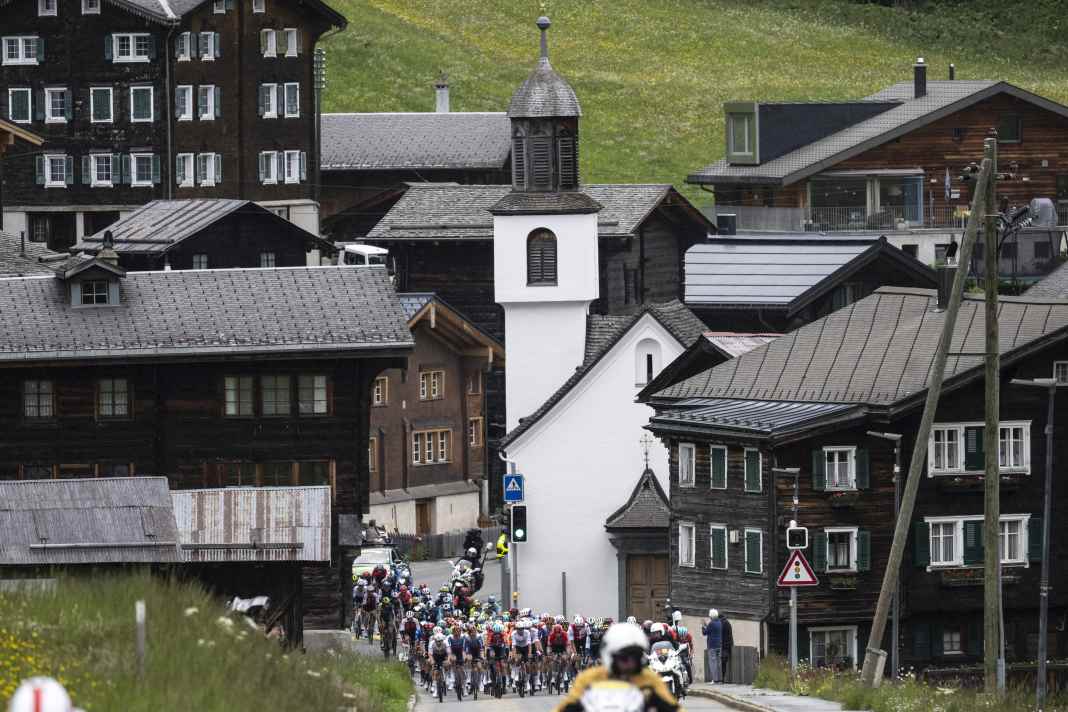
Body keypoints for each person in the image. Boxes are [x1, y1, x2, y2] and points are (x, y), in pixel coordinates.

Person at [555, 622, 680, 712]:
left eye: (635, 656)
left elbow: (674, 707)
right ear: (610, 656)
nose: (630, 663)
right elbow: (565, 707)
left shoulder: (649, 679)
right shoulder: (589, 679)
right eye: (624, 658)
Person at [702, 609, 722, 684]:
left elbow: (705, 633)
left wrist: (703, 626)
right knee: (719, 662)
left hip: (712, 645)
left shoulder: (711, 623)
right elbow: (712, 630)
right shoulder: (719, 622)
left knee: (713, 662)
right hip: (719, 645)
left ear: (711, 616)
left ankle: (715, 679)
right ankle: (720, 679)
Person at [720, 613, 734, 683]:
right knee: (725, 662)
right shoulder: (727, 623)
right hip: (728, 645)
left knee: (723, 662)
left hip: (724, 646)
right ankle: (725, 678)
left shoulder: (723, 624)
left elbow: (722, 635)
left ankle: (723, 678)